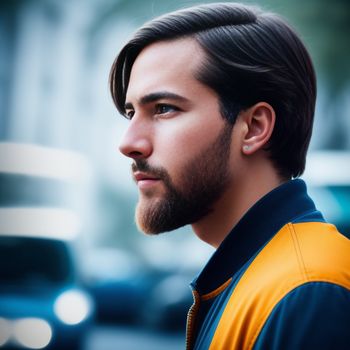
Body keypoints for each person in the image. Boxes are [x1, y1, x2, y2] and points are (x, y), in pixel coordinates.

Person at [109, 3, 350, 349]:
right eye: (131, 113)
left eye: (164, 109)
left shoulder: (309, 291)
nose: (128, 143)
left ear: (253, 127)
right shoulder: (262, 277)